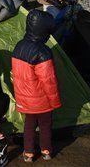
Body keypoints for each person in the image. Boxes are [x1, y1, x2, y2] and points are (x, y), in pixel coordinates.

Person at [12, 9, 60, 162]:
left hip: (25, 99)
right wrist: (55, 101)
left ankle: (28, 153)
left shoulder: (18, 46)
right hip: (42, 101)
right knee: (45, 126)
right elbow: (49, 81)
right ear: (44, 31)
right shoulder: (43, 52)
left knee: (29, 126)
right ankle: (46, 150)